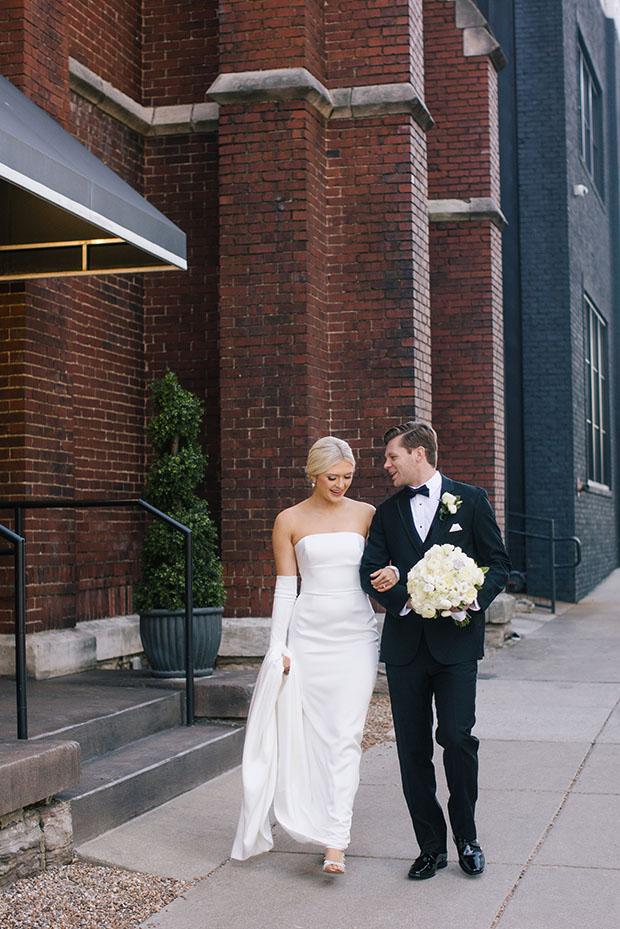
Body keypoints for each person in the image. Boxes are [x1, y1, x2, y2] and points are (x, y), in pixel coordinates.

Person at [232, 436, 397, 874]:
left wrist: (392, 573)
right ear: (313, 474)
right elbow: (286, 589)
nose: (340, 484)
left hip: (356, 637)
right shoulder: (288, 520)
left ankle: (335, 842)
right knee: (308, 737)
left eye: (347, 477)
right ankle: (310, 816)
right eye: (332, 477)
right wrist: (278, 647)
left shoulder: (367, 515)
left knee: (345, 737)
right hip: (308, 637)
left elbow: (389, 563)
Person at [360, 421, 510, 880]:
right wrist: (399, 593)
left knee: (458, 740)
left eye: (392, 456)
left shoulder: (473, 500)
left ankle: (467, 837)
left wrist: (470, 597)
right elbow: (370, 568)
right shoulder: (386, 512)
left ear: (419, 453)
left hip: (456, 646)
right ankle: (431, 846)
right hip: (406, 647)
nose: (385, 465)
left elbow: (498, 564)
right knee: (412, 750)